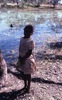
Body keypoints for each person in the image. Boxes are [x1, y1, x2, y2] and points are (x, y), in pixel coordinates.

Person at [18, 25, 36, 93]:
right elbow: (20, 48)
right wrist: (20, 57)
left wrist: (24, 58)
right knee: (23, 72)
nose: (26, 32)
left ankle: (28, 87)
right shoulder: (21, 39)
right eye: (25, 31)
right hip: (21, 58)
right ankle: (25, 85)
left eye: (29, 32)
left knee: (28, 74)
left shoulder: (31, 41)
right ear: (23, 30)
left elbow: (29, 52)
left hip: (27, 60)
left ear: (31, 33)